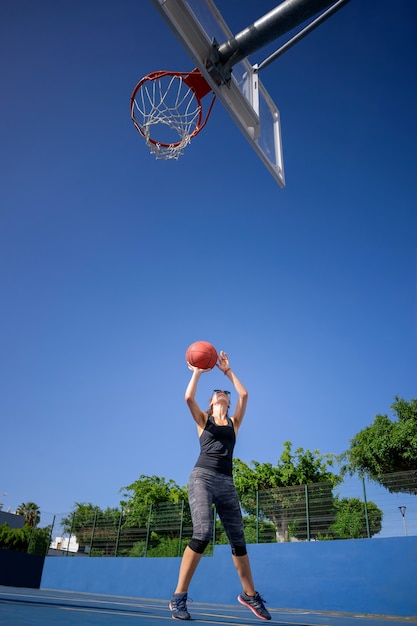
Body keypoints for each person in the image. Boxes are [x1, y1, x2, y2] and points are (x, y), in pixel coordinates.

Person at [169, 350, 271, 621]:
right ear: (212, 402)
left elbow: (245, 395)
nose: (223, 392)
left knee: (238, 540)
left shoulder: (235, 423)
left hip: (227, 482)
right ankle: (179, 597)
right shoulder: (204, 421)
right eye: (218, 392)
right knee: (202, 534)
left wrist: (227, 371)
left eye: (226, 391)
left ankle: (249, 595)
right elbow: (188, 397)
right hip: (202, 478)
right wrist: (197, 372)